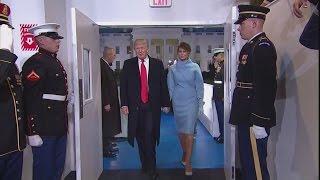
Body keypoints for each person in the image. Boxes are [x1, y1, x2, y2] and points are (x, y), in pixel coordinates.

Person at [229, 5, 277, 180]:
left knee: (256, 165)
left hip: (253, 117)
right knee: (248, 161)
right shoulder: (250, 46)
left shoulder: (262, 47)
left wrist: (259, 121)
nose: (239, 28)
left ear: (254, 23)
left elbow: (266, 87)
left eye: (242, 24)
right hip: (245, 114)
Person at [21, 23, 68, 180]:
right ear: (41, 40)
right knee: (44, 170)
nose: (58, 42)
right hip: (44, 128)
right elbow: (29, 98)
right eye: (54, 38)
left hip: (59, 125)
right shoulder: (35, 62)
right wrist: (32, 131)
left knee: (57, 167)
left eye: (57, 39)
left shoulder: (54, 61)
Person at [120, 39, 170, 180]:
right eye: (137, 48)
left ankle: (152, 168)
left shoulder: (157, 64)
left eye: (142, 47)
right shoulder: (128, 64)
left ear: (147, 48)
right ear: (135, 49)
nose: (140, 50)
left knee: (149, 136)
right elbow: (123, 86)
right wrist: (124, 104)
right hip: (135, 108)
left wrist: (166, 103)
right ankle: (145, 165)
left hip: (151, 107)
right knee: (139, 136)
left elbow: (163, 85)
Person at [167, 42, 204, 176]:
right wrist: (167, 104)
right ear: (178, 53)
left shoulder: (195, 67)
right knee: (181, 133)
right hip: (178, 103)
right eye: (180, 51)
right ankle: (185, 152)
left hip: (191, 102)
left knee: (189, 132)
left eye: (184, 51)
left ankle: (188, 163)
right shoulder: (172, 69)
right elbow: (170, 87)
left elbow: (199, 86)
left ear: (189, 53)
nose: (182, 54)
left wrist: (200, 103)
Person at [0, 3, 26, 179]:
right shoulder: (6, 60)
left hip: (14, 141)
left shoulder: (10, 64)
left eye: (6, 29)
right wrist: (3, 52)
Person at [100, 47, 121, 158]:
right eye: (113, 55)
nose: (114, 57)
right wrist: (106, 102)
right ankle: (105, 150)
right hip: (107, 103)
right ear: (108, 54)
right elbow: (103, 86)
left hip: (110, 102)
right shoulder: (102, 66)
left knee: (110, 125)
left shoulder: (105, 65)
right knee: (107, 126)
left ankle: (108, 145)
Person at [212, 48, 224, 144]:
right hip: (218, 96)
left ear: (221, 55)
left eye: (216, 55)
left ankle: (223, 136)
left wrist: (223, 95)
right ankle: (221, 135)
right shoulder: (219, 66)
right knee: (220, 117)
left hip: (221, 97)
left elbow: (224, 82)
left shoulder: (224, 66)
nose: (215, 57)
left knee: (222, 117)